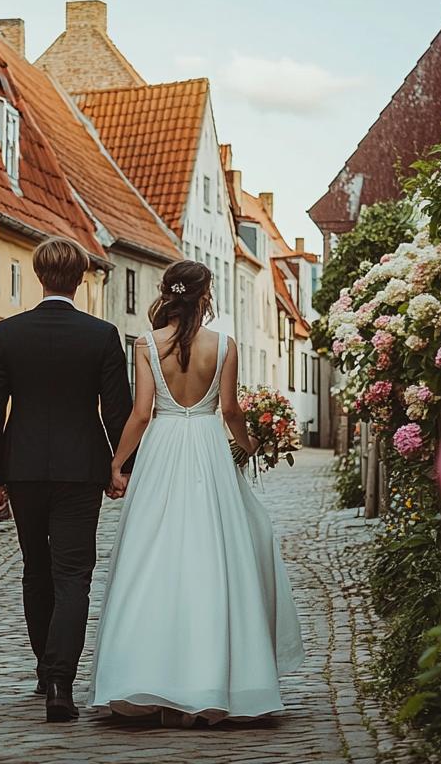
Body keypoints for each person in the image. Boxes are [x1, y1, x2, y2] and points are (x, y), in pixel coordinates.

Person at [89, 260, 304, 727]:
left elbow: (142, 414)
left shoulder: (147, 344)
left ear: (169, 295)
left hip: (163, 449)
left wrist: (116, 462)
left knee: (152, 556)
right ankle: (217, 681)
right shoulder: (224, 345)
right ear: (206, 296)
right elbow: (229, 410)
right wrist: (250, 447)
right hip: (207, 449)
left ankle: (145, 677)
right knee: (217, 556)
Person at [0, 236, 133, 723]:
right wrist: (120, 466)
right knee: (73, 574)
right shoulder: (101, 335)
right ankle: (61, 680)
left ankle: (46, 668)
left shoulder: (8, 335)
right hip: (80, 470)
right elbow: (119, 410)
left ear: (40, 275)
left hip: (23, 469)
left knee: (35, 568)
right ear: (81, 277)